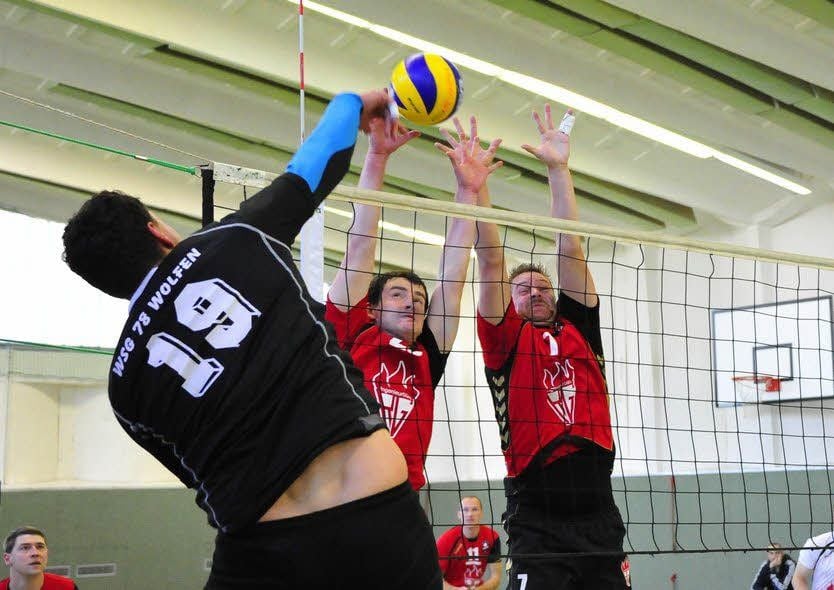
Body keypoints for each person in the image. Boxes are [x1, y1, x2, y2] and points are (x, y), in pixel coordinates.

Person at [61, 89, 441, 589]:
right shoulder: (237, 237)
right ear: (159, 231)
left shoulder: (123, 389)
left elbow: (199, 478)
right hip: (375, 511)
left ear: (106, 285)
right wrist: (354, 101)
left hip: (265, 554)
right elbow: (313, 166)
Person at [472, 105, 627, 589]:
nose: (536, 291)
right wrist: (475, 187)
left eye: (543, 286)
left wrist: (559, 170)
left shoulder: (580, 327)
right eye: (524, 288)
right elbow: (491, 260)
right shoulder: (505, 339)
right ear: (510, 301)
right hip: (538, 517)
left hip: (599, 512)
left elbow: (570, 248)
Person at [325, 114, 502, 490]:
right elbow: (360, 245)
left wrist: (468, 192)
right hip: (341, 489)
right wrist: (376, 156)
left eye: (419, 298)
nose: (413, 303)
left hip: (402, 496)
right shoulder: (351, 335)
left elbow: (453, 276)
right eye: (398, 294)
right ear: (372, 309)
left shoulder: (426, 355)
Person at [436, 496, 502, 590]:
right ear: (459, 514)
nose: (470, 514)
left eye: (474, 509)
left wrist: (480, 589)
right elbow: (436, 580)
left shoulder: (492, 537)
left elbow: (496, 577)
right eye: (465, 510)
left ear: (481, 513)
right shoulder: (446, 540)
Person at [2, 526, 77, 590]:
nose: (35, 553)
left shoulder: (67, 587)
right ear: (7, 559)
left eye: (40, 547)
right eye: (25, 548)